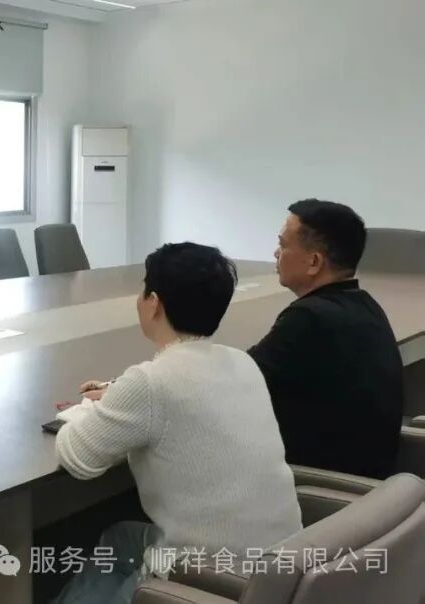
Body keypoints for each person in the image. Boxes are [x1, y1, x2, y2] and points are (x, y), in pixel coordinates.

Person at [53, 243, 301, 604]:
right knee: (119, 538)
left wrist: (84, 412)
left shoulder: (151, 383)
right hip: (281, 568)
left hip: (212, 580)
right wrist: (121, 396)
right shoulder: (242, 362)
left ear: (153, 302)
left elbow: (78, 458)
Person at [248, 199, 402, 479]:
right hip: (371, 483)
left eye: (283, 244)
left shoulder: (308, 318)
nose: (276, 253)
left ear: (314, 262)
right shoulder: (364, 305)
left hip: (318, 483)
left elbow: (238, 382)